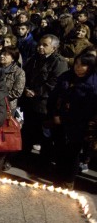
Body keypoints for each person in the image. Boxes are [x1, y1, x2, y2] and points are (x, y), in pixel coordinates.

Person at [48, 52, 97, 188]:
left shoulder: (93, 85)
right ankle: (57, 181)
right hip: (59, 121)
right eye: (76, 64)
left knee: (73, 154)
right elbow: (54, 97)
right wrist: (55, 114)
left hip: (79, 125)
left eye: (83, 65)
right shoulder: (66, 77)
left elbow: (89, 109)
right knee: (59, 151)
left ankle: (68, 181)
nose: (78, 67)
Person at [20, 34, 68, 162]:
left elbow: (55, 83)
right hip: (30, 102)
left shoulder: (59, 62)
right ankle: (24, 156)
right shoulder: (34, 59)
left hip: (45, 105)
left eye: (45, 45)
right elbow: (25, 75)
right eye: (39, 44)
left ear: (54, 48)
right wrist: (25, 89)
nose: (40, 47)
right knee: (28, 131)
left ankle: (44, 162)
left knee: (45, 134)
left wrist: (36, 92)